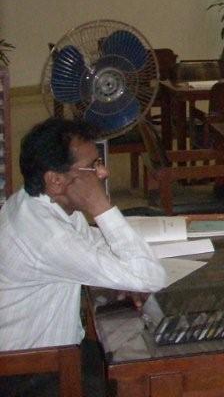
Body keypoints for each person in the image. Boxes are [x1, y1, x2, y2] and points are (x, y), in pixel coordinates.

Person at [0, 118, 167, 395]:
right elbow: (150, 278)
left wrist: (122, 274)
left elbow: (99, 246)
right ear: (55, 180)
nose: (103, 173)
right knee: (150, 378)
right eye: (92, 167)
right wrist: (100, 205)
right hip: (28, 374)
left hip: (49, 357)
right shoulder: (47, 236)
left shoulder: (37, 204)